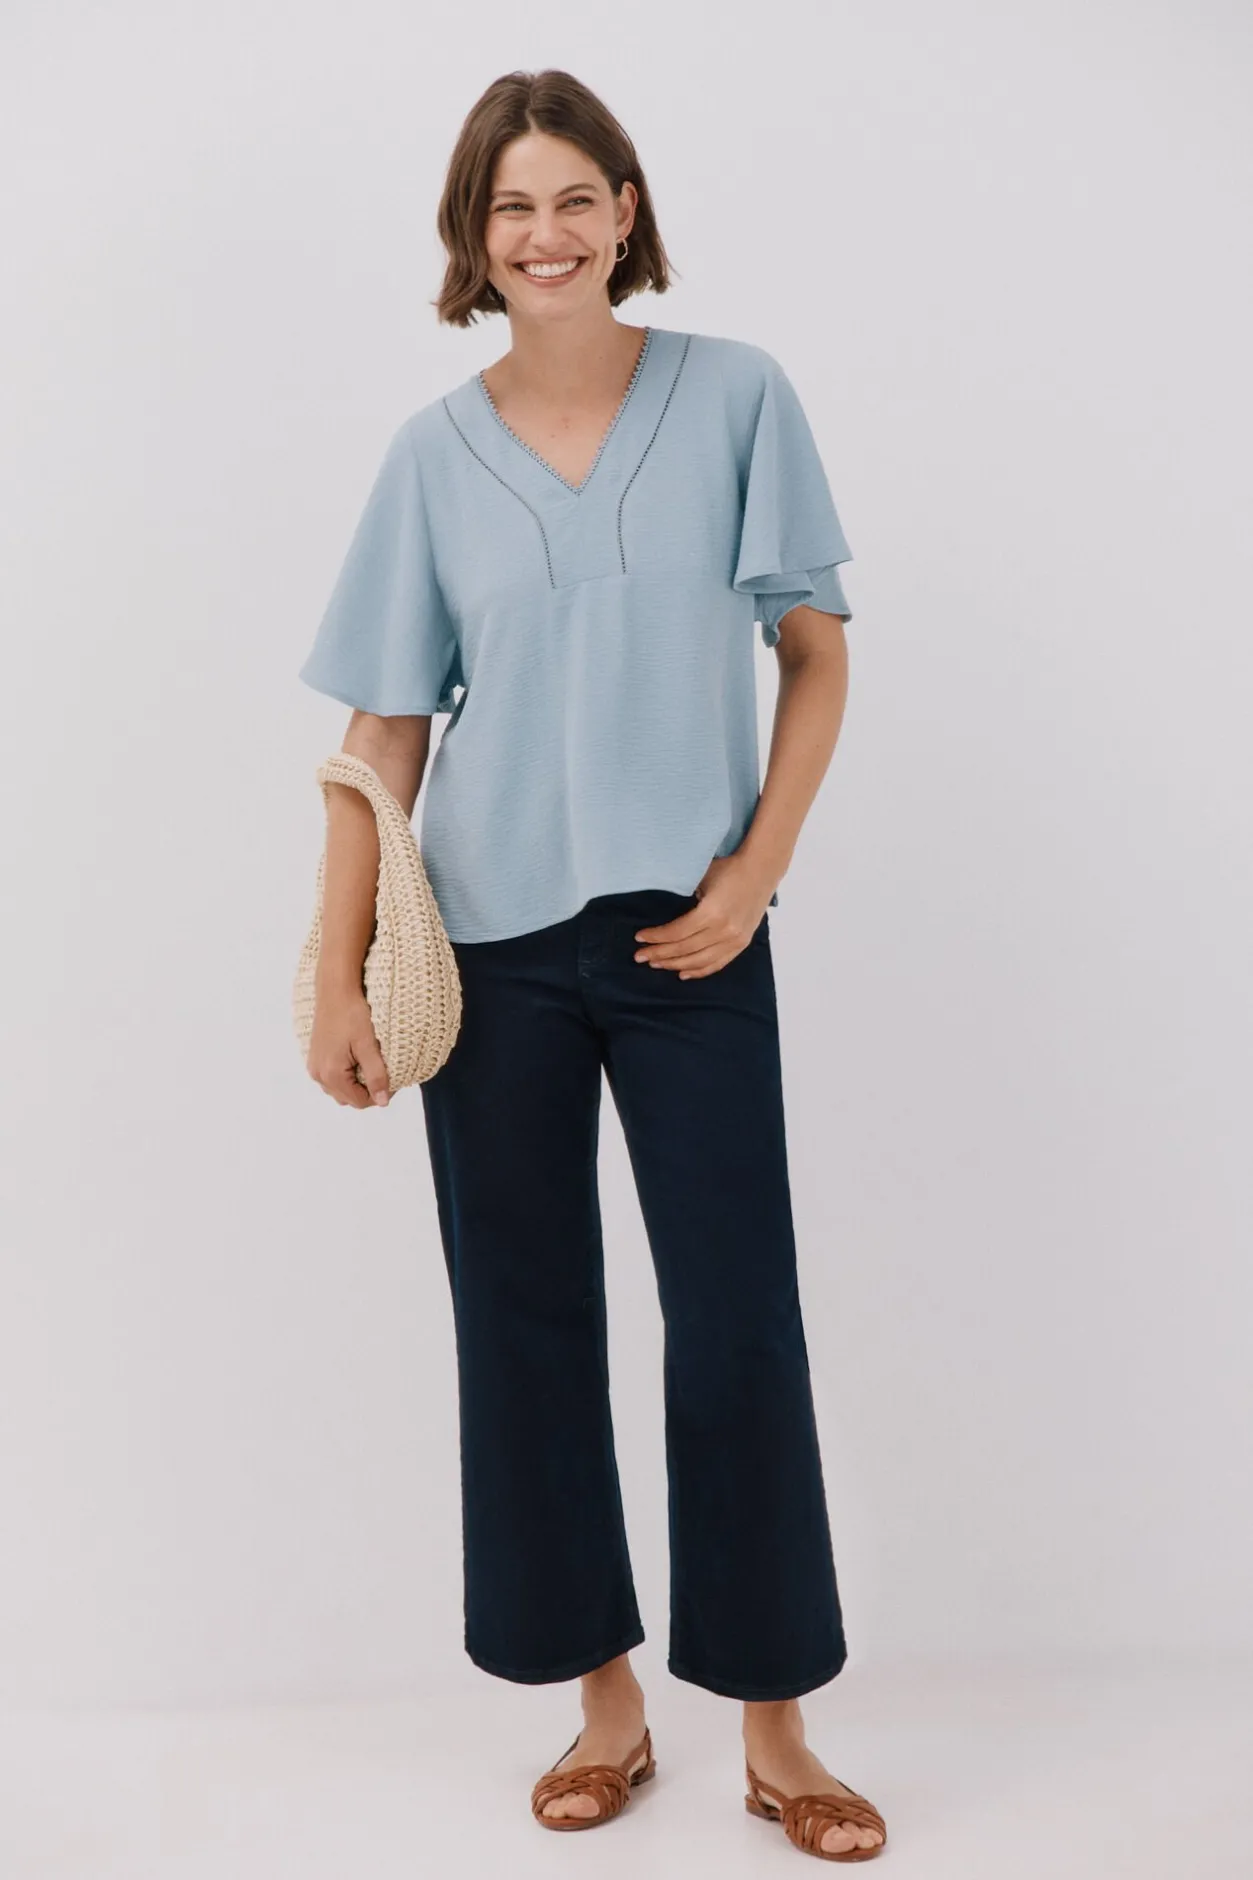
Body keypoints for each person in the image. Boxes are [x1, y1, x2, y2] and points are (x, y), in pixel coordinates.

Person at [298, 67, 886, 1863]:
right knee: (527, 1322)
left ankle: (775, 1729)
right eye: (511, 207)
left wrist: (754, 875)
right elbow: (382, 736)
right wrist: (332, 972)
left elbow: (815, 655)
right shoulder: (431, 454)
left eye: (574, 198)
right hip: (490, 954)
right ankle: (606, 1709)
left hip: (692, 935)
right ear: (474, 239)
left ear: (626, 210)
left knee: (737, 1321)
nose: (544, 234)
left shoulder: (737, 397)